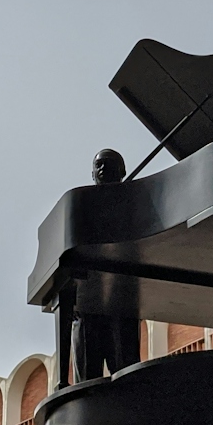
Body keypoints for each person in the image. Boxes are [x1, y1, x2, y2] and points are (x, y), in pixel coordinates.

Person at [72, 150, 143, 380]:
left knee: (126, 373)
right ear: (92, 173)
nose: (103, 170)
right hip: (89, 300)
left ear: (122, 172)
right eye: (99, 165)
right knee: (87, 378)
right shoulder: (81, 205)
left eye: (109, 165)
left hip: (123, 297)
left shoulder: (136, 205)